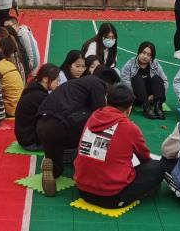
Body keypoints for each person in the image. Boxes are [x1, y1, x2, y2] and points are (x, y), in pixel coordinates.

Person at [74, 85, 165, 209]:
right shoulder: (130, 128)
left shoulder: (94, 116)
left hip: (82, 190)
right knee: (158, 167)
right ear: (129, 108)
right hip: (112, 197)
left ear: (106, 101)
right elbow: (145, 158)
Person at [36, 68, 117, 196]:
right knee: (95, 123)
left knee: (56, 164)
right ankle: (88, 166)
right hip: (61, 125)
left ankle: (52, 165)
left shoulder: (76, 84)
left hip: (42, 124)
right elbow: (100, 113)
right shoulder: (98, 84)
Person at [120, 41, 170, 120]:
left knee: (157, 78)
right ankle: (147, 108)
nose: (145, 56)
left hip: (152, 98)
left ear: (151, 57)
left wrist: (155, 96)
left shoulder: (155, 64)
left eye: (149, 55)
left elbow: (165, 81)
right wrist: (142, 98)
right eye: (143, 53)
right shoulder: (130, 63)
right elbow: (125, 82)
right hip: (136, 97)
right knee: (137, 78)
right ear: (139, 52)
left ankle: (158, 107)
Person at [14, 64, 59, 150]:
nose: (58, 83)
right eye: (57, 79)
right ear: (45, 79)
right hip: (31, 142)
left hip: (24, 138)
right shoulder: (40, 96)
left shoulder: (33, 88)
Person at [0, 36, 25, 117]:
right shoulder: (12, 61)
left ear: (3, 49)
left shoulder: (1, 66)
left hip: (10, 110)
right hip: (19, 105)